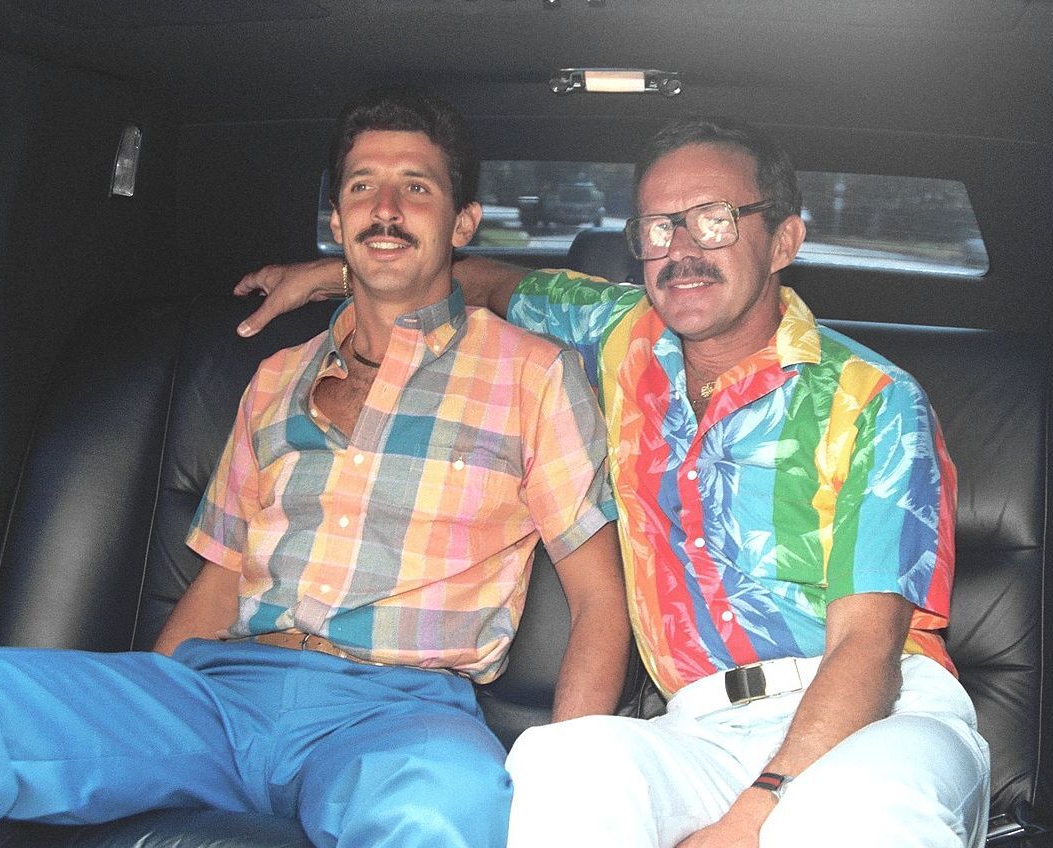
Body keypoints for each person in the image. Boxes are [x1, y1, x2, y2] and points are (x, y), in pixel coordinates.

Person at [235, 116, 991, 848]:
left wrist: (755, 814)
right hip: (699, 724)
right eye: (659, 228)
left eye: (714, 220)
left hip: (876, 711)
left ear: (785, 238)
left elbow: (867, 644)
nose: (682, 250)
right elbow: (484, 280)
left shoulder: (874, 398)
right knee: (560, 763)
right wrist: (342, 272)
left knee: (850, 817)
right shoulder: (620, 333)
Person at [0, 86, 627, 848]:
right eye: (361, 186)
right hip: (219, 696)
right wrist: (149, 705)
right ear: (336, 221)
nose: (385, 208)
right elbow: (222, 574)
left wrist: (569, 786)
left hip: (399, 716)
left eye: (417, 187)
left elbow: (599, 601)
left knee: (441, 811)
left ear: (462, 221)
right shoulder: (275, 374)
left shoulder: (535, 376)